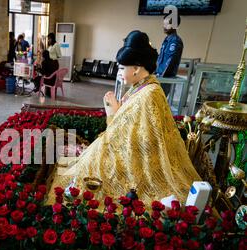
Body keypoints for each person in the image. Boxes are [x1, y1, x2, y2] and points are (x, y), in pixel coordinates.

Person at [46, 30, 200, 205]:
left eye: (121, 68)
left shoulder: (149, 94)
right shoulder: (144, 85)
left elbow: (125, 137)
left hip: (137, 161)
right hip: (127, 150)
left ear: (136, 68)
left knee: (86, 173)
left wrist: (112, 112)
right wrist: (117, 110)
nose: (118, 73)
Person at [156, 13, 183, 97]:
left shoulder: (175, 41)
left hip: (164, 78)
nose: (164, 26)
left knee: (159, 102)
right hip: (159, 76)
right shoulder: (167, 39)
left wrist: (161, 79)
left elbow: (170, 61)